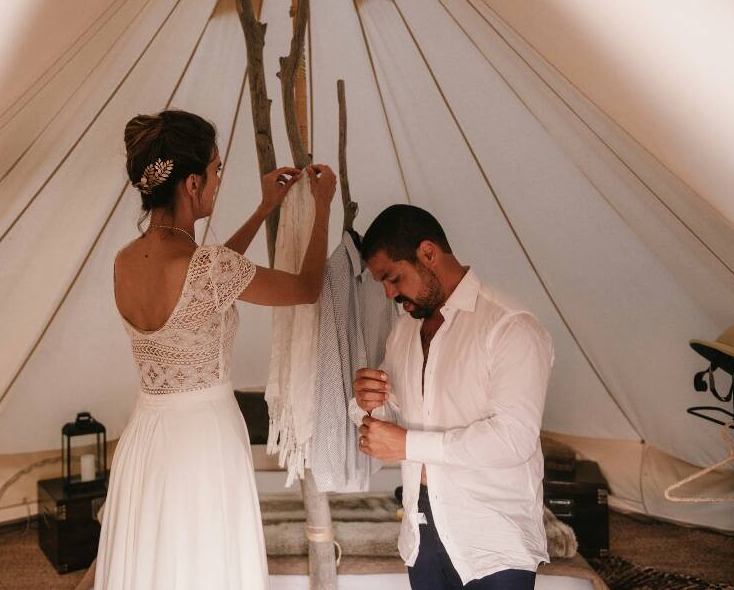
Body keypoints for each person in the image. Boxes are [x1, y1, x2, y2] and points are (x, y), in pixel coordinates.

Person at [95, 110, 336, 589]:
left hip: (147, 436)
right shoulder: (205, 267)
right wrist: (322, 207)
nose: (218, 180)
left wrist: (265, 207)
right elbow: (307, 288)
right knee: (203, 561)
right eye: (216, 169)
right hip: (202, 440)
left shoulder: (125, 261)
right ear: (191, 184)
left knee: (160, 563)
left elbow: (211, 277)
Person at [351, 205, 553, 590]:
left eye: (393, 278)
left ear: (428, 253)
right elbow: (391, 412)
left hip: (493, 539)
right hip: (423, 531)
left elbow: (514, 438)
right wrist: (366, 400)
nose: (389, 293)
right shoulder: (405, 334)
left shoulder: (510, 326)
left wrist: (408, 444)